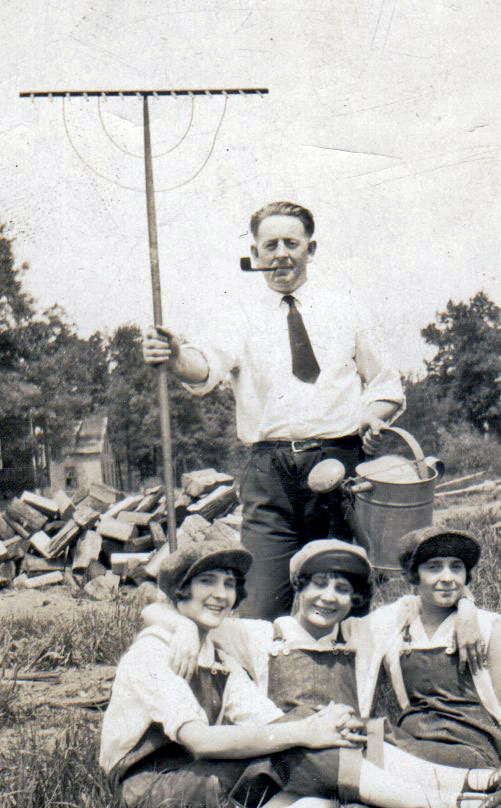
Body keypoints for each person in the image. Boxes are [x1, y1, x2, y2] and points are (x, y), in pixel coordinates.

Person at [140, 538, 501, 808]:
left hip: (353, 762)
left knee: (362, 789)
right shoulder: (261, 636)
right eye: (318, 584)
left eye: (342, 589)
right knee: (361, 782)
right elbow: (174, 613)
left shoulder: (363, 634)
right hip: (286, 766)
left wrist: (468, 608)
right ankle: (463, 802)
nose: (329, 598)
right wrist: (183, 629)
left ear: (354, 600)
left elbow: (426, 594)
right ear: (299, 588)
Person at [141, 200, 405, 619]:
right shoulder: (238, 317)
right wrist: (174, 357)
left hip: (339, 470)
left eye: (291, 242)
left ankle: (346, 681)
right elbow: (204, 366)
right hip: (269, 477)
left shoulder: (346, 309)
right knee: (260, 609)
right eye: (270, 245)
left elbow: (386, 383)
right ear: (256, 255)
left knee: (345, 602)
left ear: (310, 249)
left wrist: (373, 414)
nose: (281, 252)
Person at [375, 526, 501, 772]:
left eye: (456, 567)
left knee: (378, 752)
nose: (447, 577)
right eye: (434, 567)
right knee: (368, 741)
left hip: (470, 747)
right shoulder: (397, 624)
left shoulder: (489, 626)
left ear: (466, 576)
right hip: (415, 741)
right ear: (414, 576)